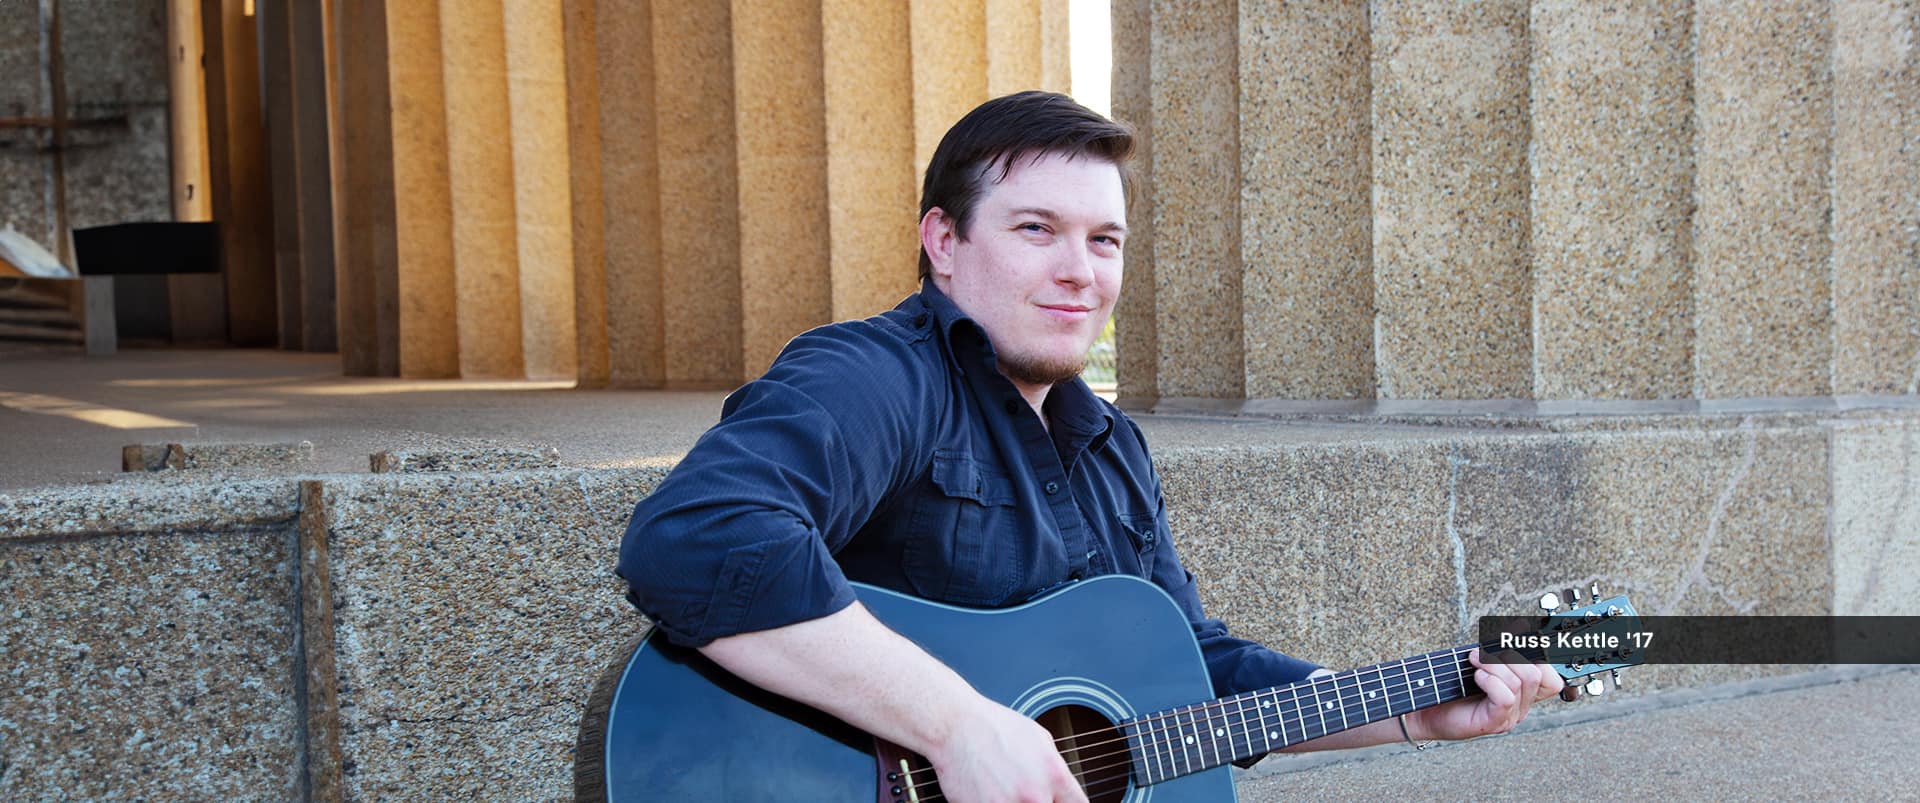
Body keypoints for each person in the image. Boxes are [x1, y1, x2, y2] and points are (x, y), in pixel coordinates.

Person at [617, 91, 1563, 802]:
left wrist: (1412, 711)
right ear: (942, 241)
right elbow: (701, 537)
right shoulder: (876, 377)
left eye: (1105, 240)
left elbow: (1191, 669)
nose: (1081, 271)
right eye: (1039, 230)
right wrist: (954, 727)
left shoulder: (1110, 444)